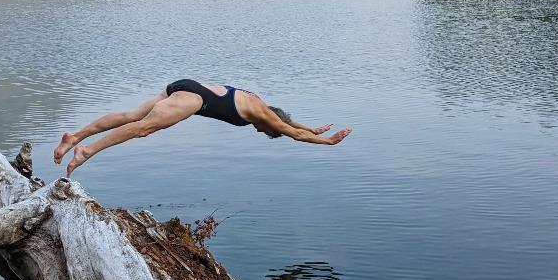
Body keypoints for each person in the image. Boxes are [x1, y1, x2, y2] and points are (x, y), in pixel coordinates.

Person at [53, 78, 352, 176]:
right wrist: (326, 143)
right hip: (196, 100)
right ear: (272, 127)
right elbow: (291, 131)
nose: (263, 132)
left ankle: (74, 136)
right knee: (143, 128)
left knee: (131, 116)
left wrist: (313, 128)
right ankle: (87, 150)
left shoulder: (264, 106)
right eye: (269, 133)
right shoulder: (266, 117)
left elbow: (289, 122)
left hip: (187, 85)